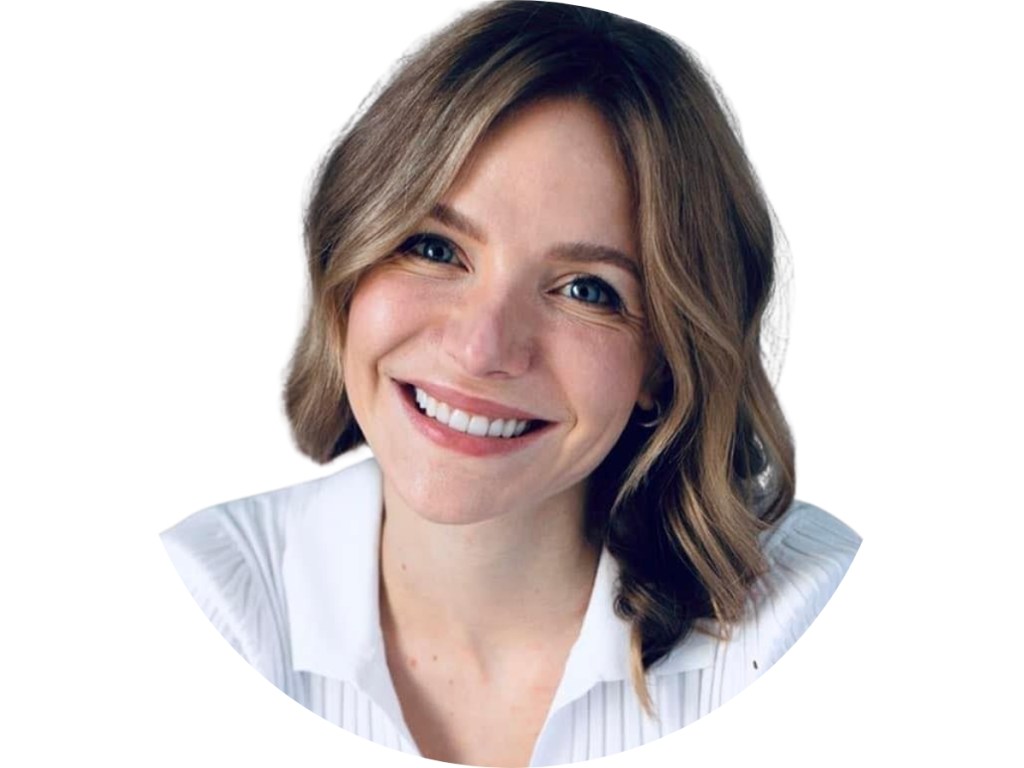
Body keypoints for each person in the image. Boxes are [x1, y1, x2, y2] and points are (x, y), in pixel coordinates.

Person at [161, 2, 861, 766]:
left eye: (587, 290)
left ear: (666, 362)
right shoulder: (202, 601)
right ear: (349, 265)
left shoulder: (812, 620)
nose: (480, 348)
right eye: (434, 248)